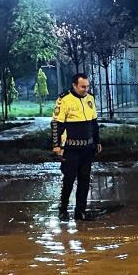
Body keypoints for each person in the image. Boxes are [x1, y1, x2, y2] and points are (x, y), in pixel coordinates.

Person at [50, 73, 101, 220]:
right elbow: (56, 124)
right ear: (74, 85)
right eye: (82, 86)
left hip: (87, 148)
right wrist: (56, 145)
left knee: (85, 180)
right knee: (69, 179)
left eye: (87, 86)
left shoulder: (90, 98)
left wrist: (97, 141)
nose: (85, 89)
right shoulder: (64, 99)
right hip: (71, 149)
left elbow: (94, 122)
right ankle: (63, 210)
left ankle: (80, 211)